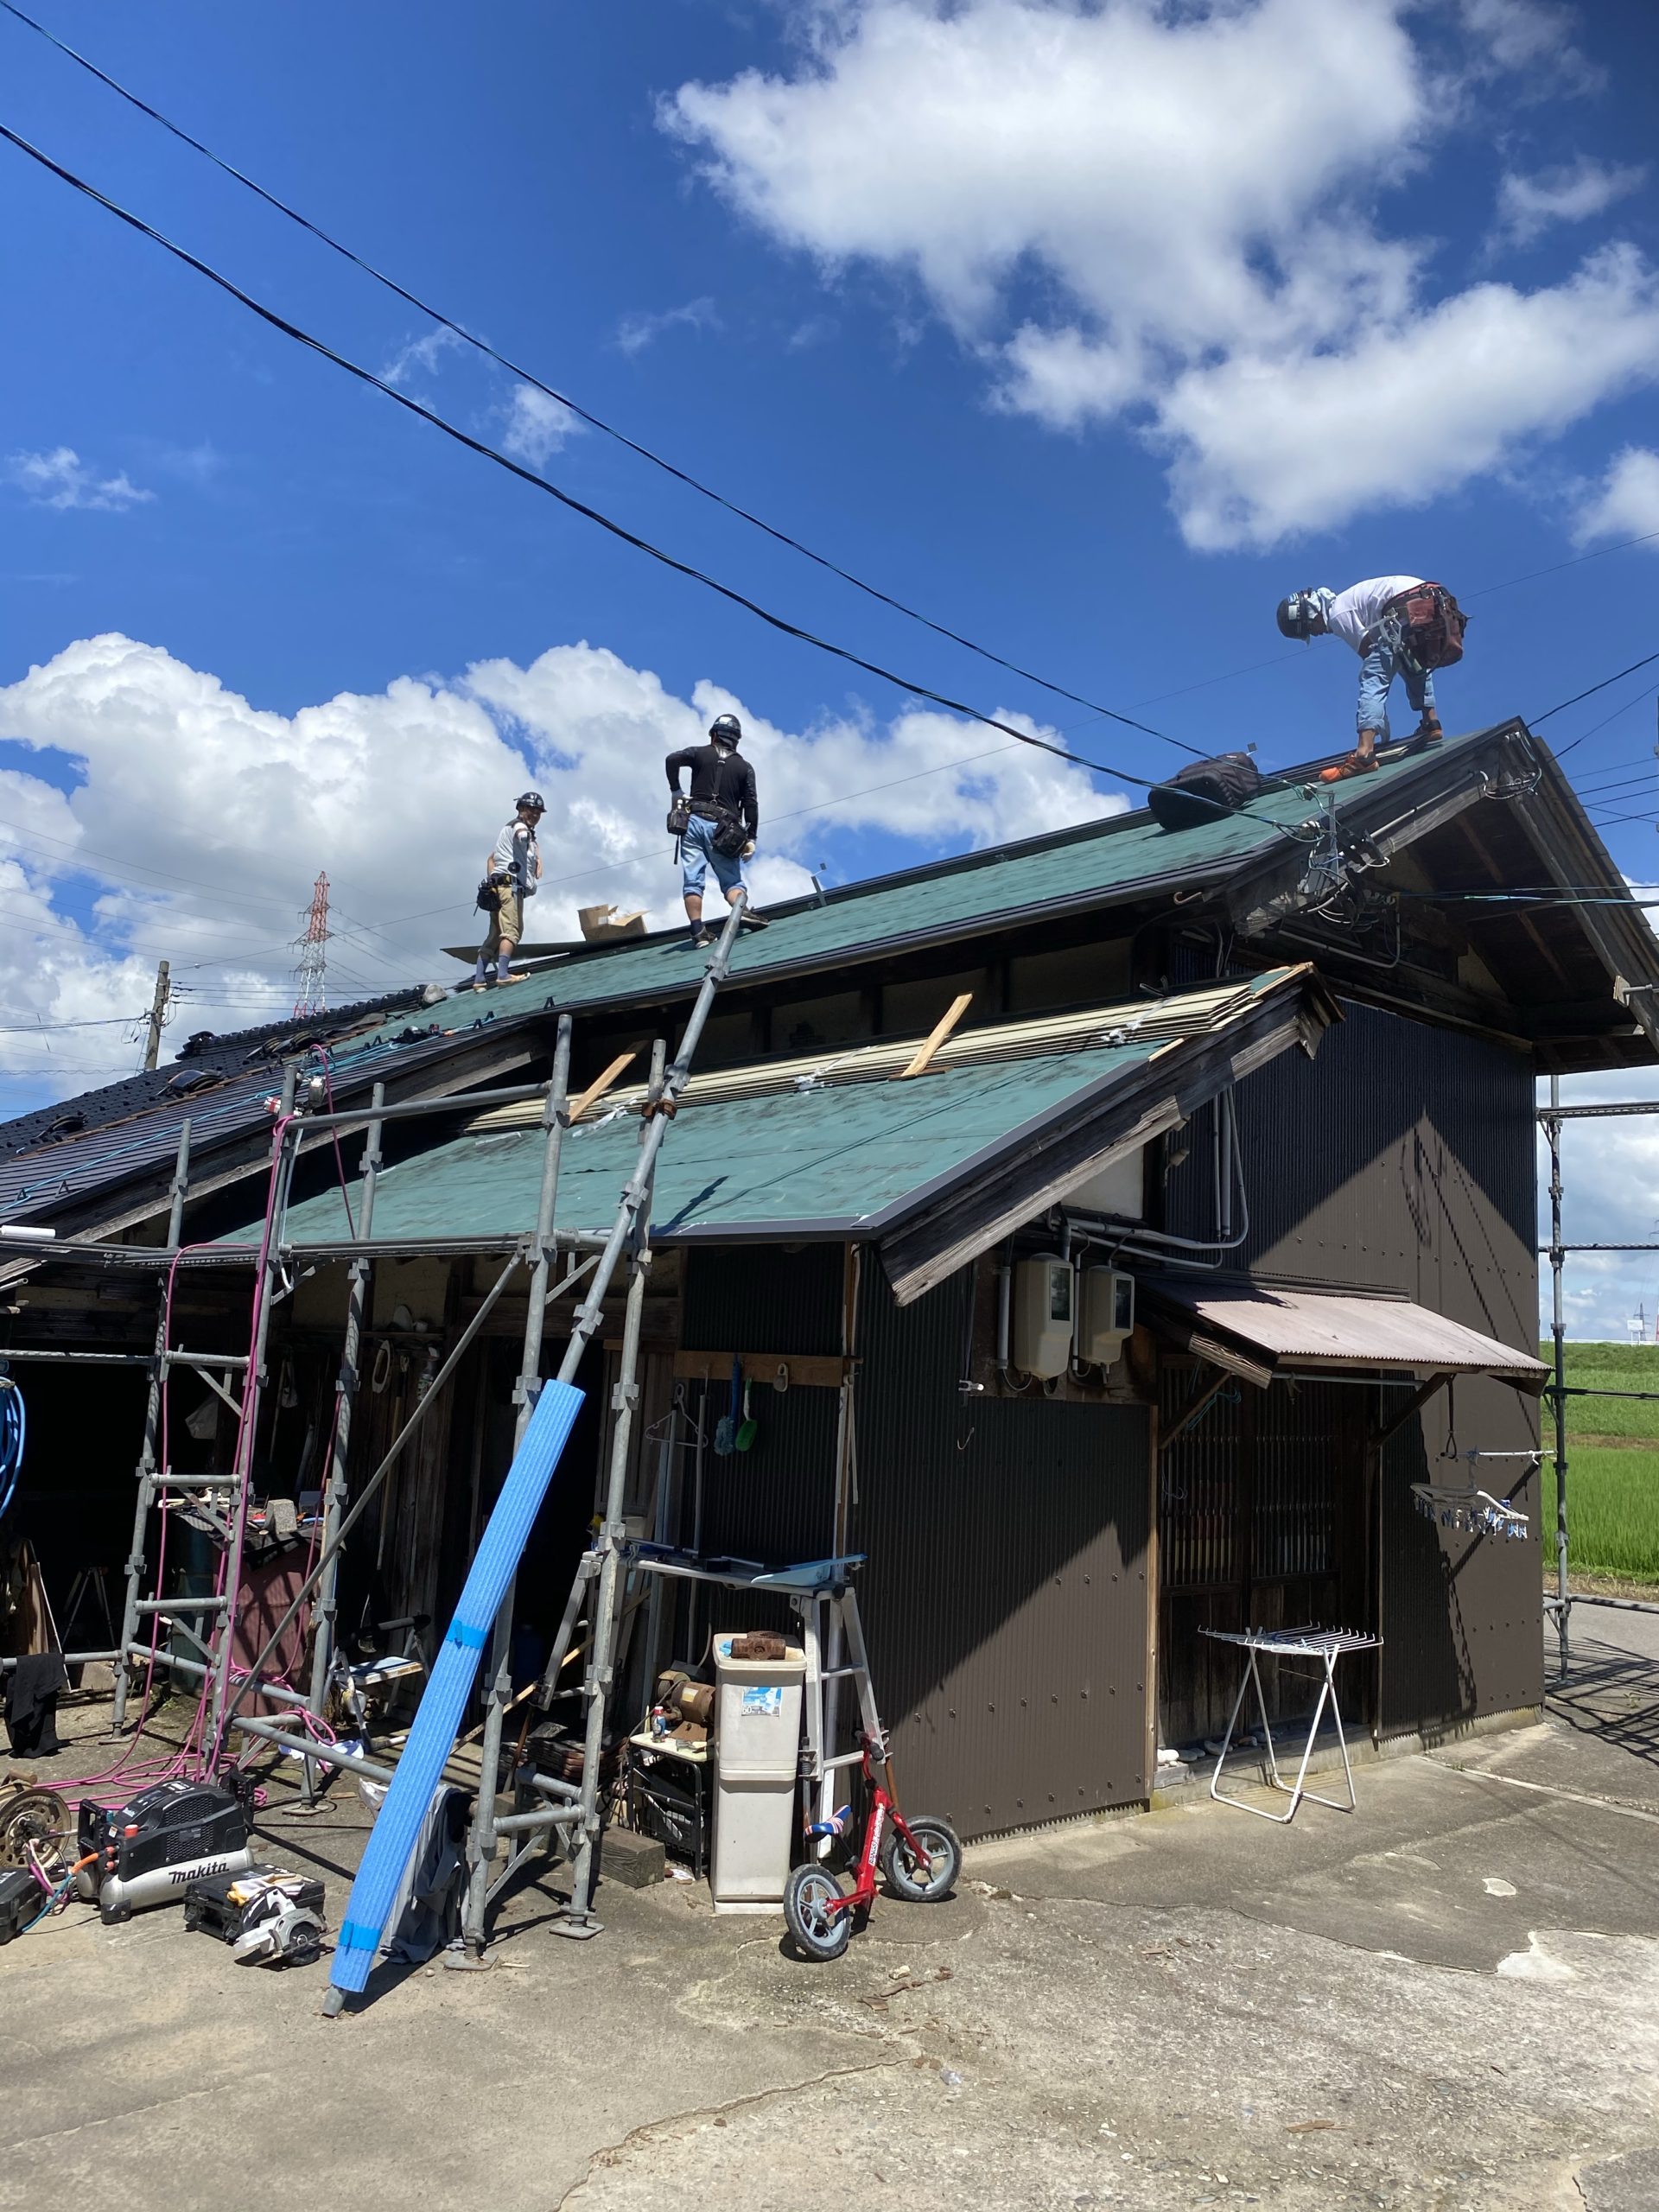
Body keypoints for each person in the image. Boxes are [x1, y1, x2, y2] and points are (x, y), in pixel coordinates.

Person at [1276, 577, 1449, 781]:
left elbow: (1369, 654)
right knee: (1411, 662)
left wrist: (1377, 720)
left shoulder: (1337, 613)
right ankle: (1431, 723)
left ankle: (1364, 754)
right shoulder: (1347, 602)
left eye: (1309, 629)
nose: (1316, 634)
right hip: (1431, 600)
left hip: (1407, 605)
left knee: (1371, 675)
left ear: (1311, 615)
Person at [664, 712, 766, 948]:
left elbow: (671, 759)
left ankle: (699, 932)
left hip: (692, 821)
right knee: (731, 881)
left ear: (713, 735)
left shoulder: (700, 753)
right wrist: (751, 838)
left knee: (693, 880)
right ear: (736, 740)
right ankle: (742, 911)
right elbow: (751, 804)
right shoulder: (744, 768)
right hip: (724, 828)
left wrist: (675, 790)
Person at [472, 791, 544, 990]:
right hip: (510, 886)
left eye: (538, 811)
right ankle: (502, 975)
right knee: (512, 931)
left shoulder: (508, 831)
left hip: (498, 886)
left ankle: (479, 981)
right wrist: (525, 837)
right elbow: (521, 834)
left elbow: (492, 858)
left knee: (495, 934)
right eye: (531, 809)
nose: (535, 814)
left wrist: (492, 880)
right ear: (521, 809)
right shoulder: (519, 827)